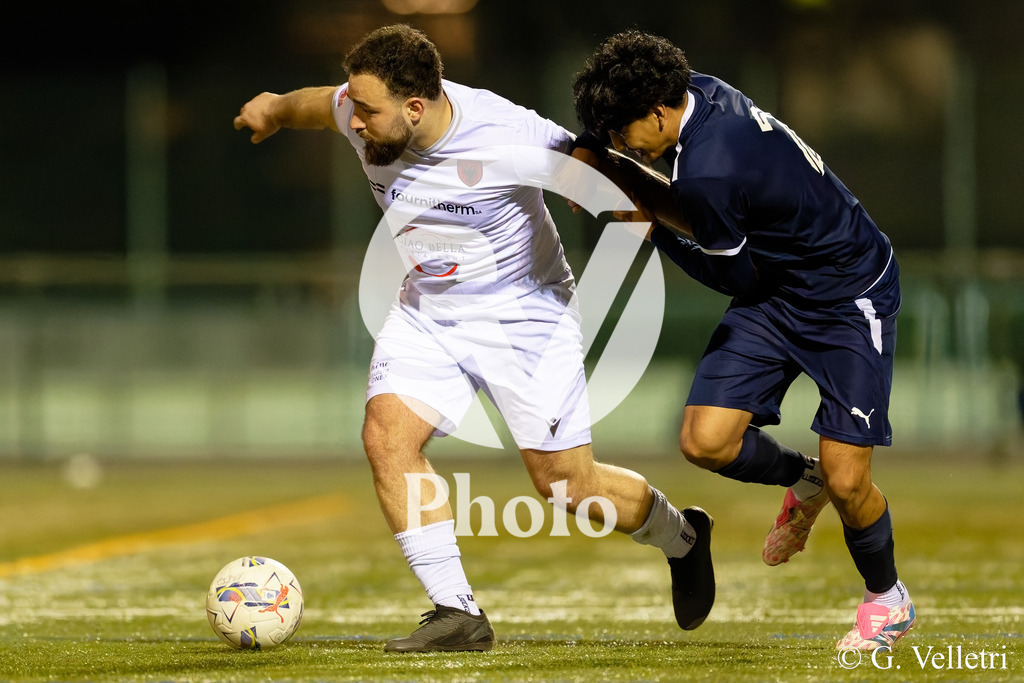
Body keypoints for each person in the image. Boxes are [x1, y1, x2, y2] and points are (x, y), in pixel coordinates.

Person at [233, 24, 714, 653]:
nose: (355, 123)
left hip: (525, 315)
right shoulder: (361, 107)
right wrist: (272, 107)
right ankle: (456, 611)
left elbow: (598, 165)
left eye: (369, 113)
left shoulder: (506, 132)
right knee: (385, 436)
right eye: (355, 108)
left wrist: (625, 203)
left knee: (567, 485)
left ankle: (682, 538)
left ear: (415, 107)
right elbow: (316, 105)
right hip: (427, 309)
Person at [570, 30, 915, 653]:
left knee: (849, 482)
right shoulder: (697, 92)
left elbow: (728, 275)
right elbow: (652, 164)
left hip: (846, 295)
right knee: (705, 442)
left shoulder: (709, 169)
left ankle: (887, 598)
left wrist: (653, 226)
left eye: (622, 131)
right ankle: (800, 478)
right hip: (781, 285)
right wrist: (600, 153)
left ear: (656, 112)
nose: (621, 144)